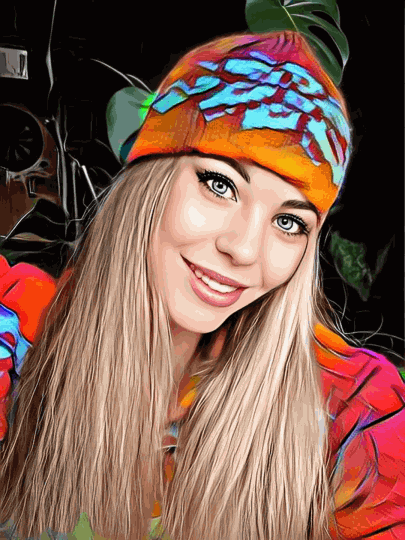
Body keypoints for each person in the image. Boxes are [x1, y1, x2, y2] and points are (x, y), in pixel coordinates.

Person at [0, 30, 404, 540]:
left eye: (289, 222)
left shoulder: (351, 409)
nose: (244, 249)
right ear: (150, 182)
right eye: (220, 184)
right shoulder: (20, 331)